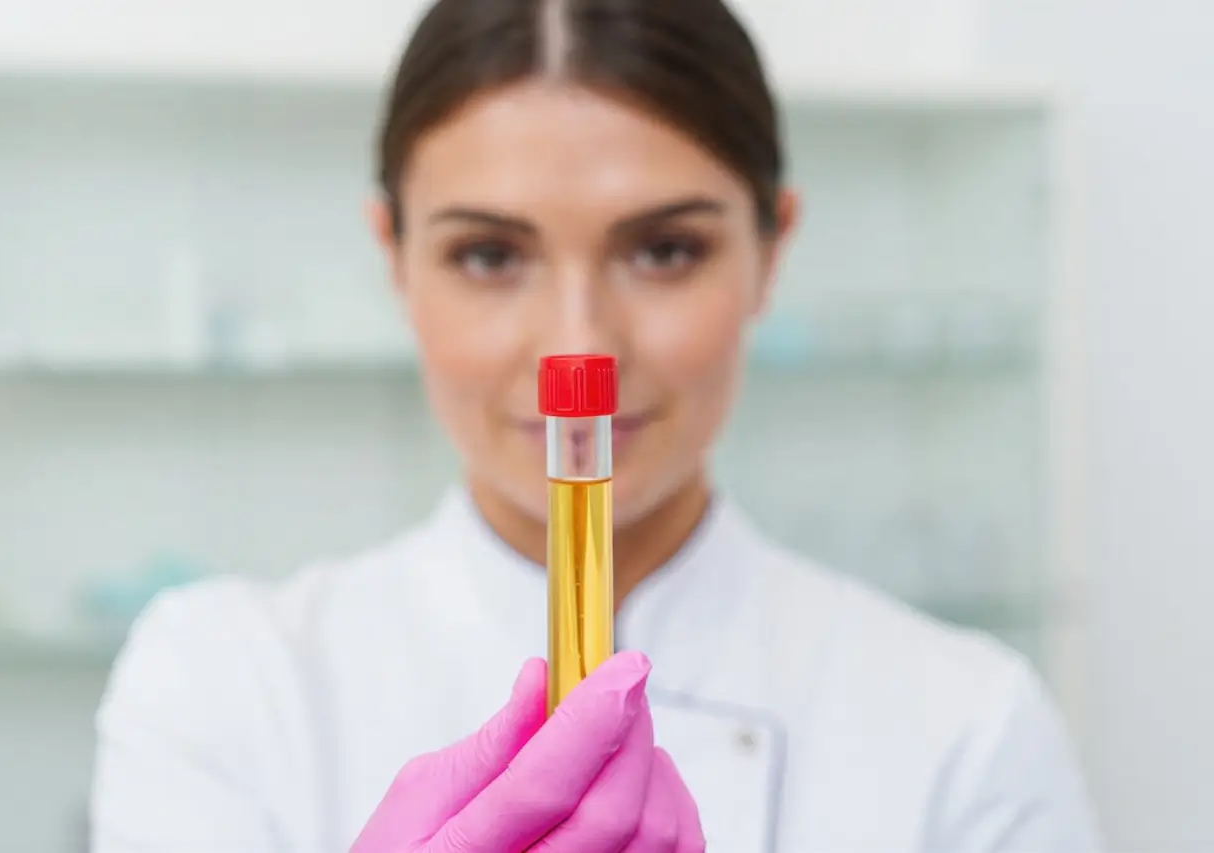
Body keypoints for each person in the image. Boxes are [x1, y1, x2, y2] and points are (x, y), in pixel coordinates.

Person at [89, 0, 1101, 850]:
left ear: (769, 249)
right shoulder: (225, 683)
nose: (580, 349)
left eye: (662, 250)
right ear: (393, 257)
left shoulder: (964, 722)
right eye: (488, 255)